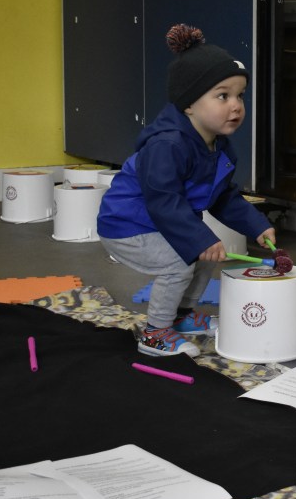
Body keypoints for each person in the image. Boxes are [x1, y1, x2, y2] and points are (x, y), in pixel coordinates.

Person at [98, 23, 275, 357]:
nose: (236, 105)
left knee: (207, 255)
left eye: (240, 95)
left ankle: (180, 317)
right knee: (181, 262)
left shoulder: (220, 147)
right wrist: (198, 239)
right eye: (222, 96)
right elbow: (163, 201)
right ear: (189, 104)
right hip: (127, 226)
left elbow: (224, 196)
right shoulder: (167, 146)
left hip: (161, 221)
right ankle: (155, 334)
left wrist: (258, 226)